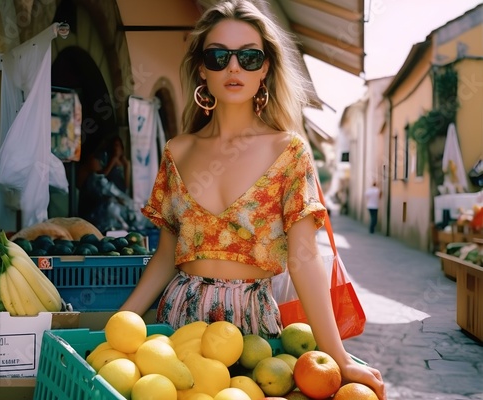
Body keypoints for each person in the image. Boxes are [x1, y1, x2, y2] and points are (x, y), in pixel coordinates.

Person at [120, 1, 386, 398]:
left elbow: (305, 259)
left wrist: (339, 357)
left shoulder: (289, 151)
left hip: (251, 329)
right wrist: (121, 321)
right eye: (218, 56)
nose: (233, 68)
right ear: (201, 68)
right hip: (179, 322)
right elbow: (166, 253)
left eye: (248, 57)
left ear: (264, 69)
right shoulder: (177, 151)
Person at [78, 135, 134, 232]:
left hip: (118, 199)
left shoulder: (123, 163)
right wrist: (113, 161)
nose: (116, 148)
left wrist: (126, 166)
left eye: (118, 146)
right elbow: (102, 179)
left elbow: (126, 187)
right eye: (114, 146)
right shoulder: (104, 160)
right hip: (104, 202)